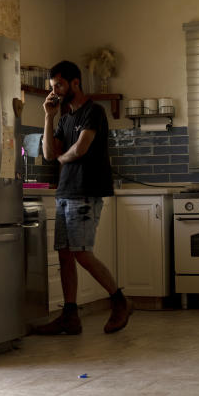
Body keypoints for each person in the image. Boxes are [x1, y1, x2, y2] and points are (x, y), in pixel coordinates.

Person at [31, 60, 133, 335]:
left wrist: (64, 157)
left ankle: (119, 300)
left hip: (87, 191)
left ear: (75, 82)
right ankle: (70, 316)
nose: (56, 91)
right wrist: (48, 116)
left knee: (81, 253)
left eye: (60, 85)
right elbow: (50, 154)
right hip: (66, 192)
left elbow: (81, 148)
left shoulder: (94, 112)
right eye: (53, 87)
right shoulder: (64, 118)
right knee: (65, 254)